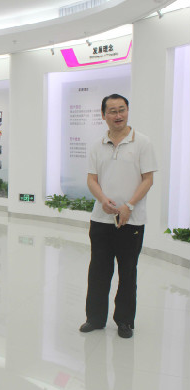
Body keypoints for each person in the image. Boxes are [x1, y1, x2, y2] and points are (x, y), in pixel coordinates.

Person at [79, 94, 157, 339]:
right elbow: (92, 179)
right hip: (101, 220)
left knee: (128, 272)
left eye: (122, 109)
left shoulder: (142, 142)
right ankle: (94, 318)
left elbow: (148, 179)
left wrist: (129, 206)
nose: (118, 115)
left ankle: (124, 321)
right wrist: (103, 200)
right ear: (103, 115)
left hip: (131, 220)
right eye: (112, 111)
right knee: (98, 271)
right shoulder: (97, 145)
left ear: (128, 111)